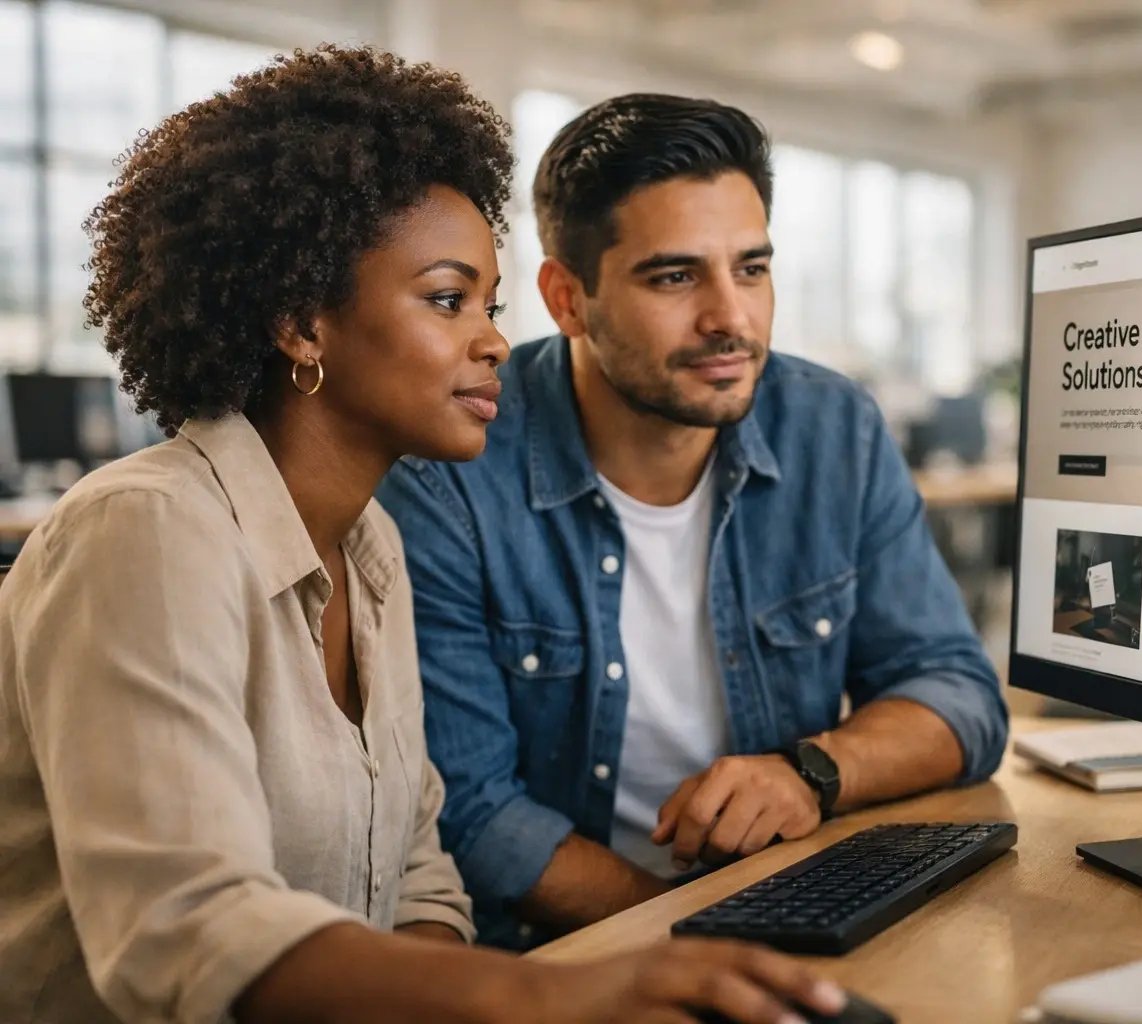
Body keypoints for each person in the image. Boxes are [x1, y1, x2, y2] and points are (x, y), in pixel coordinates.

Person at [0, 50, 844, 1024]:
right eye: (447, 300)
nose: (493, 340)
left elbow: (417, 880)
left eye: (490, 304)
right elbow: (188, 931)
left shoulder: (371, 551)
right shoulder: (145, 535)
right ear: (301, 325)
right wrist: (538, 993)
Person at [377, 93, 1010, 950]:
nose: (731, 319)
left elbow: (959, 695)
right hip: (568, 956)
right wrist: (707, 938)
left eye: (751, 268)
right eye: (675, 276)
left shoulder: (832, 429)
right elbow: (476, 817)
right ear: (568, 299)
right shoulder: (451, 474)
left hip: (789, 902)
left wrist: (812, 772)